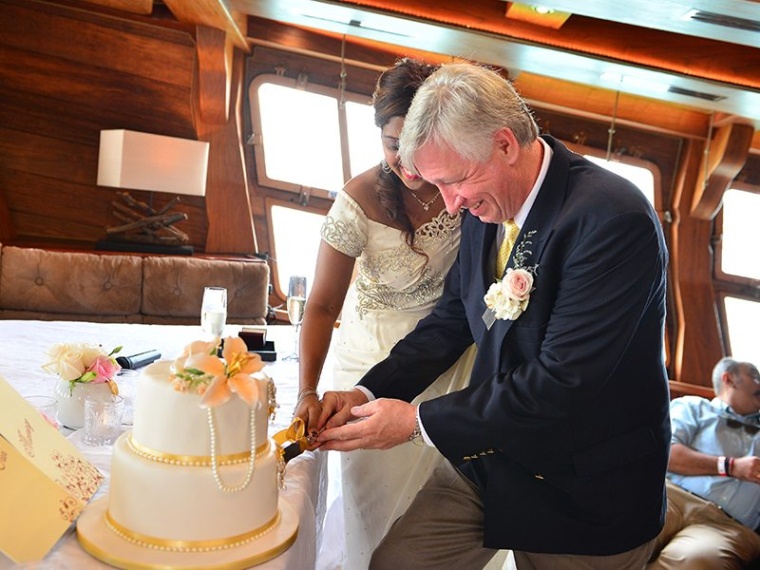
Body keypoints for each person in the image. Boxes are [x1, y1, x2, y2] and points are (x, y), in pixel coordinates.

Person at [316, 61, 671, 569]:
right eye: (437, 185)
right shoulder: (486, 203)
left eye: (455, 181)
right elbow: (451, 320)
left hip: (585, 488)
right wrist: (370, 391)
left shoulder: (613, 220)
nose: (451, 205)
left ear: (505, 144)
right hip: (489, 459)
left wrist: (416, 422)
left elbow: (563, 382)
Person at [293, 58, 478, 570]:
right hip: (371, 366)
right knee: (372, 516)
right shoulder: (356, 201)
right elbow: (322, 305)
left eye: (415, 142)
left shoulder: (464, 192)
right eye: (391, 143)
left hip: (450, 361)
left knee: (441, 517)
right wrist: (307, 390)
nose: (405, 158)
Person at [647, 357, 760, 569]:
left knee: (697, 562)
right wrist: (731, 466)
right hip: (669, 498)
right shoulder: (694, 407)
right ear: (728, 379)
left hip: (726, 526)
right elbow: (666, 453)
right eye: (756, 377)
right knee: (626, 533)